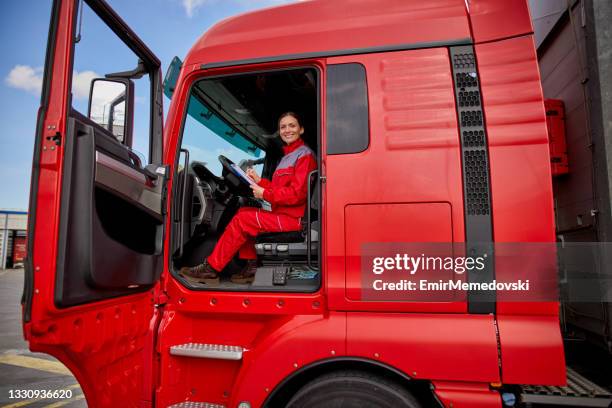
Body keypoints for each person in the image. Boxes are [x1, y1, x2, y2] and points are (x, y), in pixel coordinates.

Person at [180, 112, 317, 284]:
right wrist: (260, 182)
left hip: (294, 219)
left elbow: (297, 195)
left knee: (243, 219)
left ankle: (211, 269)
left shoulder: (304, 156)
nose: (287, 130)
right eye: (283, 127)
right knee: (245, 211)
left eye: (292, 125)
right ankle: (251, 267)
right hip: (283, 215)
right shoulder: (287, 157)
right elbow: (281, 188)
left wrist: (264, 193)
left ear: (301, 129)